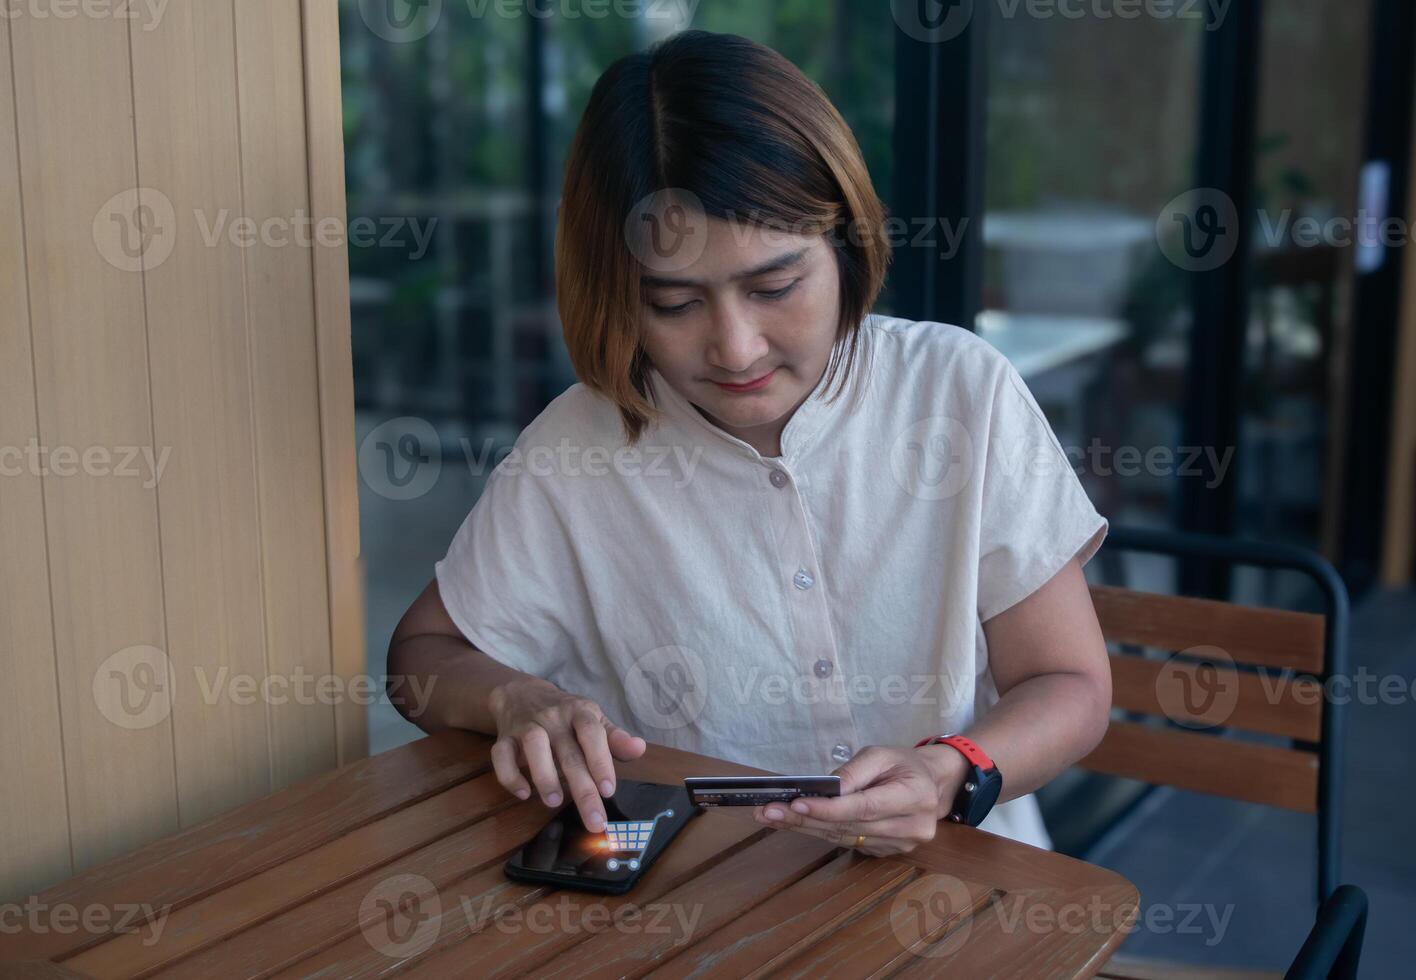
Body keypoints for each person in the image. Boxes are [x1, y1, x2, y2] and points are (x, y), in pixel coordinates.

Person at [388, 29, 1111, 857]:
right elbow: (421, 658)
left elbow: (1071, 685)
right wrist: (513, 700)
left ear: (845, 243)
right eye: (672, 303)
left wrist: (952, 771)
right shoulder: (579, 447)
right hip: (703, 900)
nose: (734, 347)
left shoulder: (959, 393)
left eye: (774, 286)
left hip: (963, 881)